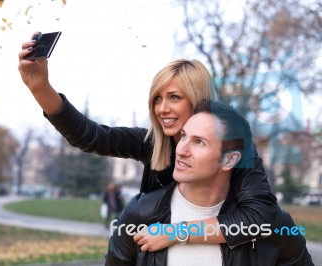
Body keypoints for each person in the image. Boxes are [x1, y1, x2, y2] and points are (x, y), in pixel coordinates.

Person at [18, 35, 277, 249]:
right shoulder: (151, 143)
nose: (162, 108)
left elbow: (261, 216)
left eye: (174, 97)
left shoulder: (234, 147)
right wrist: (40, 87)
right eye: (157, 98)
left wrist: (178, 232)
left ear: (198, 100)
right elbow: (91, 136)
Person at [106, 99, 314, 265]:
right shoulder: (140, 214)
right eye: (184, 136)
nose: (181, 150)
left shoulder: (274, 226)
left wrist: (178, 232)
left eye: (199, 142)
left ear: (229, 160)